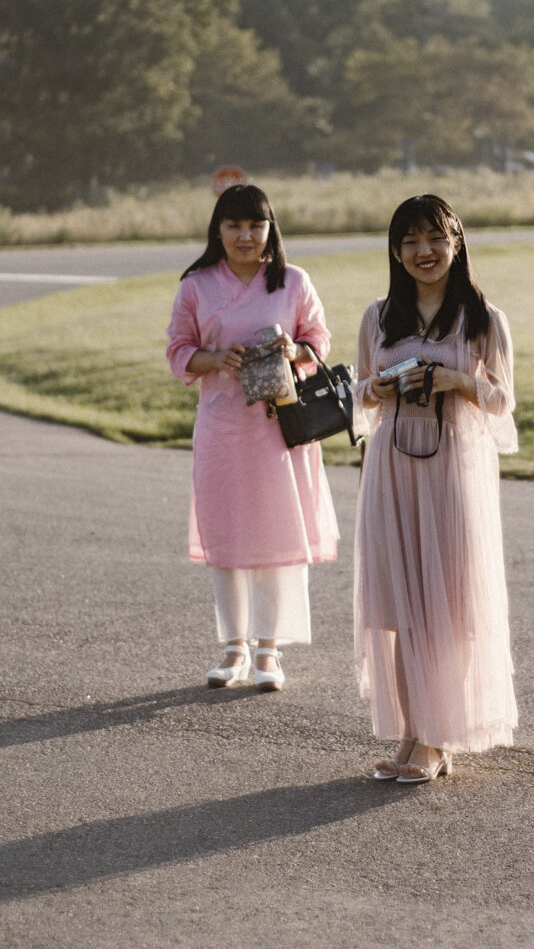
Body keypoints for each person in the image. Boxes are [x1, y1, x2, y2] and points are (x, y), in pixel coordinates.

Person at [352, 194, 518, 782]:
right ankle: (409, 734)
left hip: (453, 472)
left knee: (450, 608)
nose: (425, 252)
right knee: (400, 609)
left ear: (456, 242)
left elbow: (505, 404)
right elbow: (359, 397)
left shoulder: (482, 319)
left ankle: (439, 737)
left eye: (435, 239)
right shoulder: (378, 317)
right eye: (411, 242)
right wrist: (382, 387)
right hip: (393, 471)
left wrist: (456, 380)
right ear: (396, 252)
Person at [166, 183, 337, 691]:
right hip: (221, 426)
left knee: (275, 533)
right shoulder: (196, 285)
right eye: (234, 225)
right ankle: (232, 648)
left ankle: (269, 651)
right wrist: (214, 359)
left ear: (270, 228)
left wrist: (294, 349)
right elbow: (178, 350)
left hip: (277, 428)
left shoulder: (292, 281)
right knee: (226, 536)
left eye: (255, 225)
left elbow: (319, 340)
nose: (245, 236)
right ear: (217, 230)